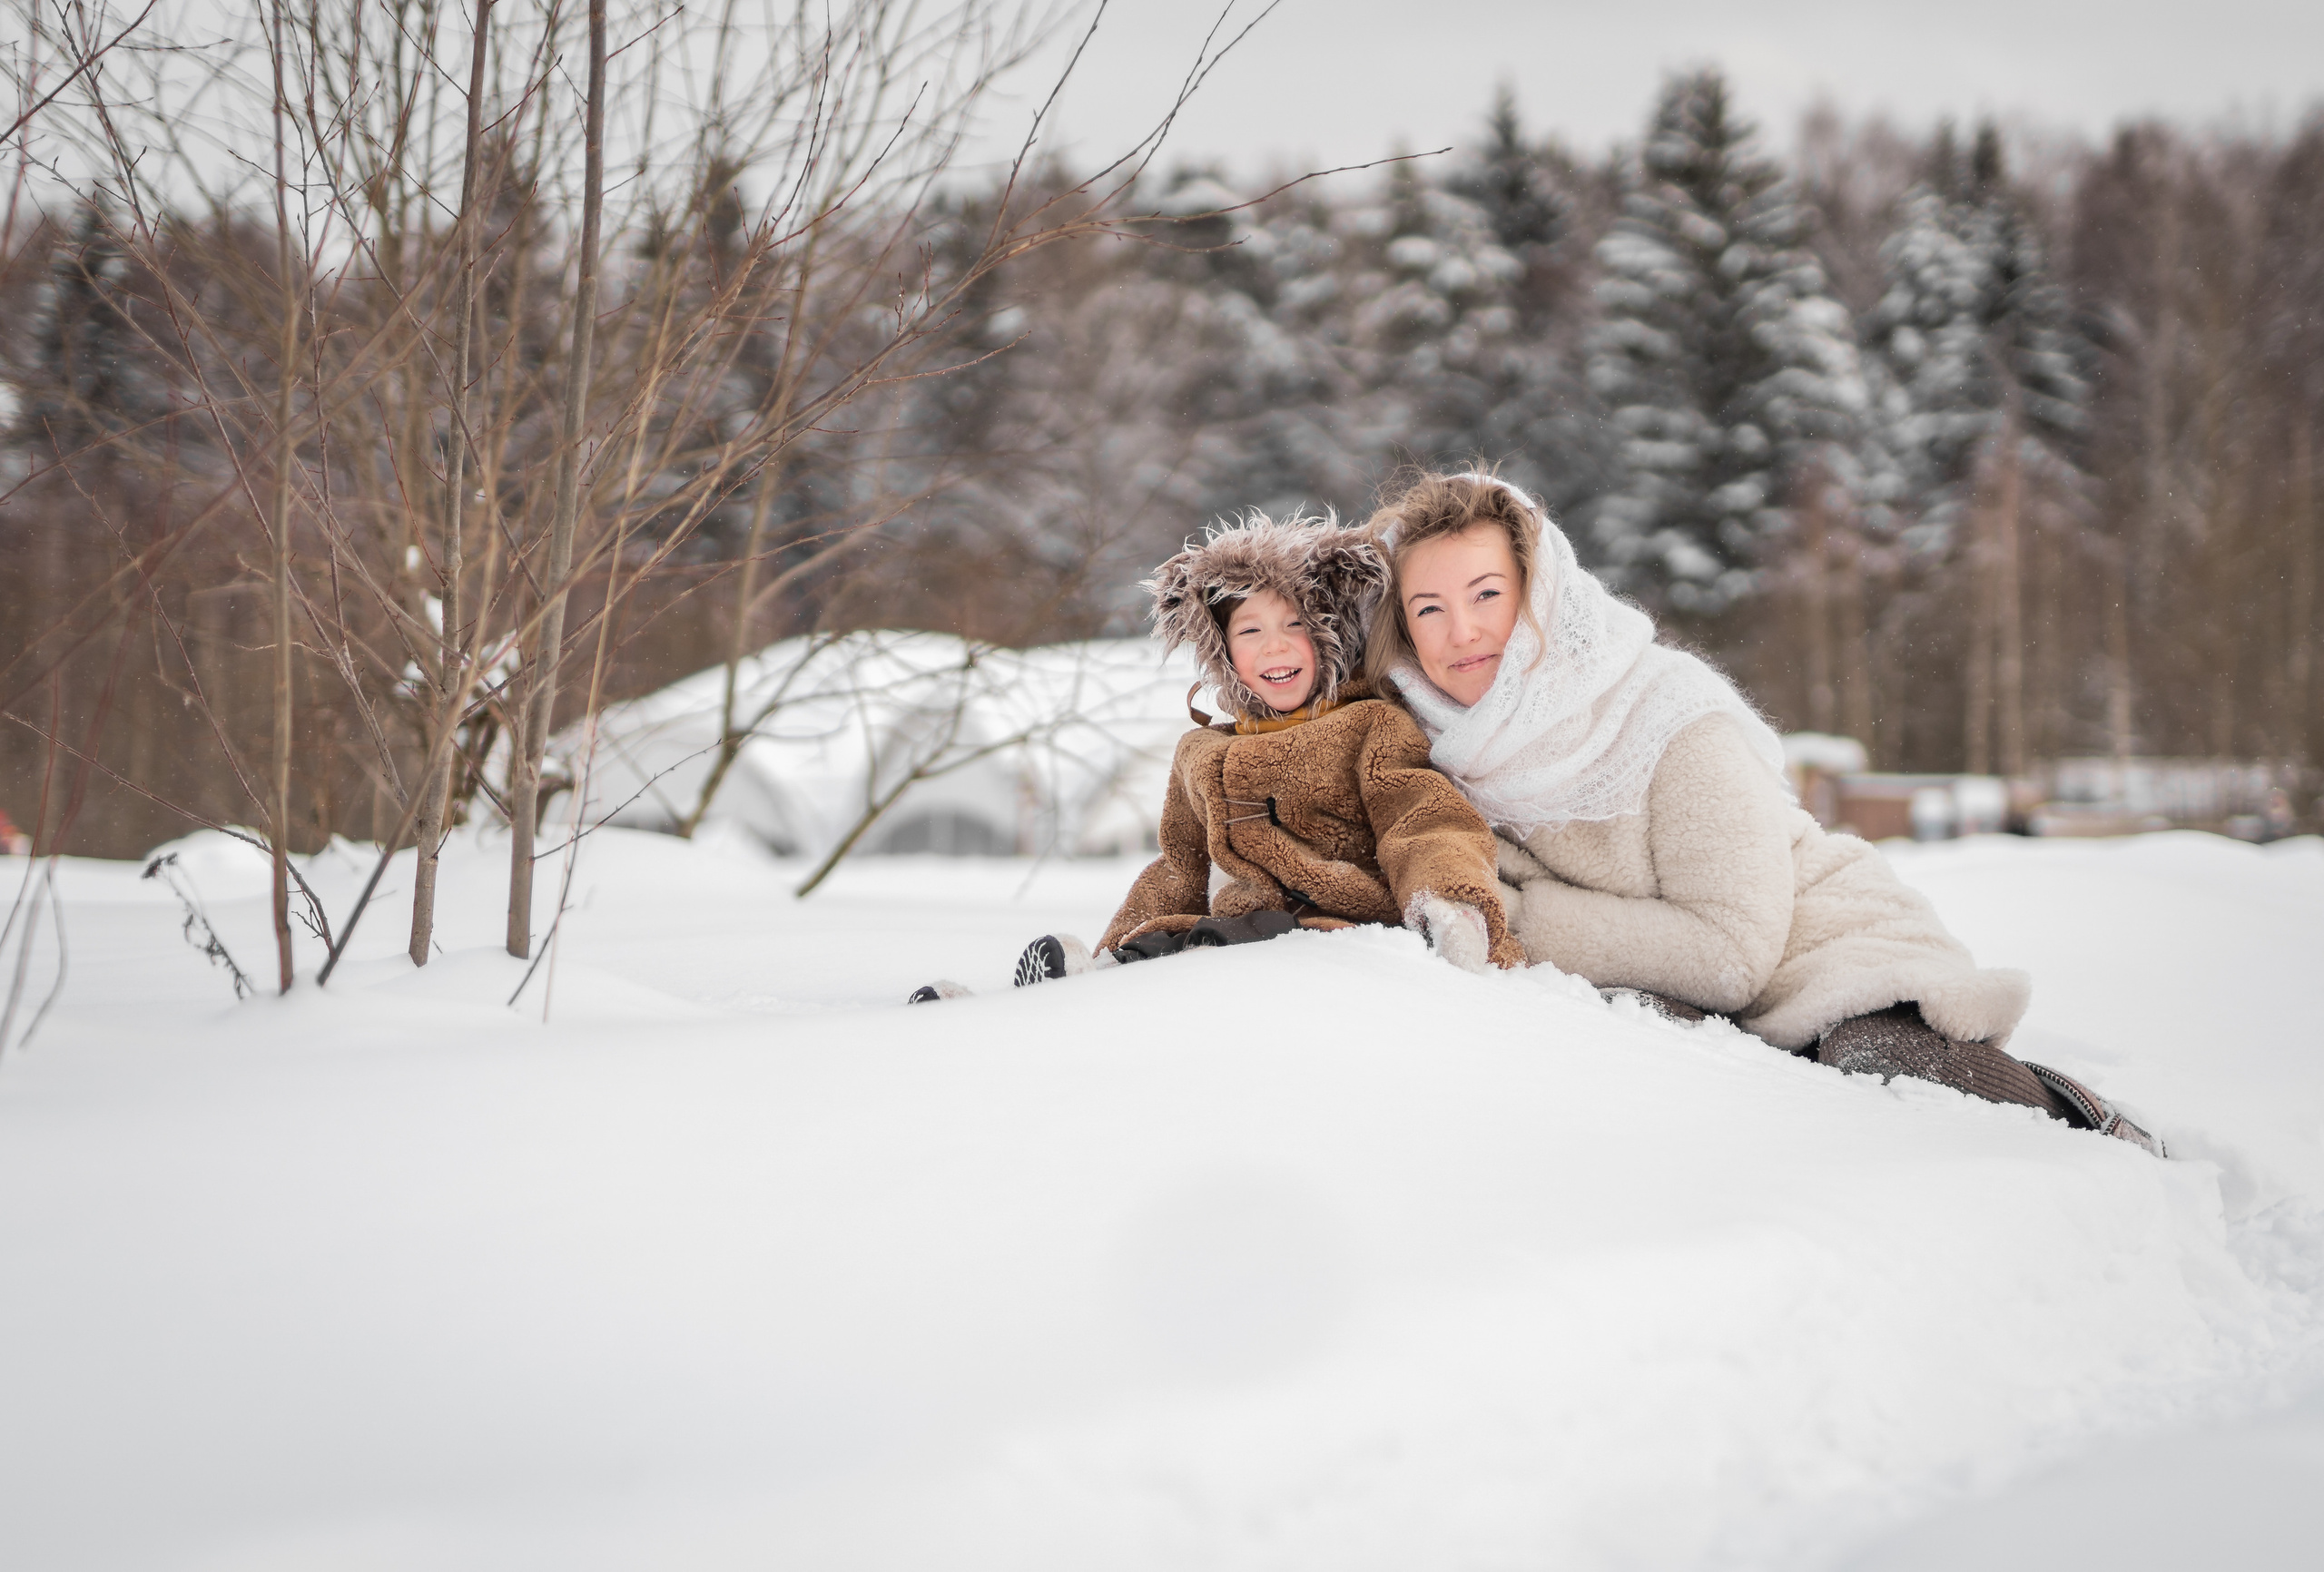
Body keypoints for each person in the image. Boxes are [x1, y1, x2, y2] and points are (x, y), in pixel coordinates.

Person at [1362, 470, 2164, 1154]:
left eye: (1487, 594)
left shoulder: (1667, 712)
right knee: (1614, 1026)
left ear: (1541, 595)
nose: (1461, 632)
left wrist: (1506, 916)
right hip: (1691, 1000)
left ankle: (2078, 1128)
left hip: (1822, 953)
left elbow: (1729, 954)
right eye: (1428, 608)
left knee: (1873, 1053)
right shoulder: (1434, 748)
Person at [908, 511, 1522, 1001]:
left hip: (1335, 930)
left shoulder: (1369, 725)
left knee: (1216, 949)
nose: (1275, 647)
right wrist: (1119, 943)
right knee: (1158, 951)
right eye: (1250, 631)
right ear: (1223, 651)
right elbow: (1177, 868)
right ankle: (1057, 997)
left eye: (1295, 626)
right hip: (1230, 932)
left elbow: (1424, 818)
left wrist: (1446, 901)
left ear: (1329, 632)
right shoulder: (1202, 753)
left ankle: (1127, 988)